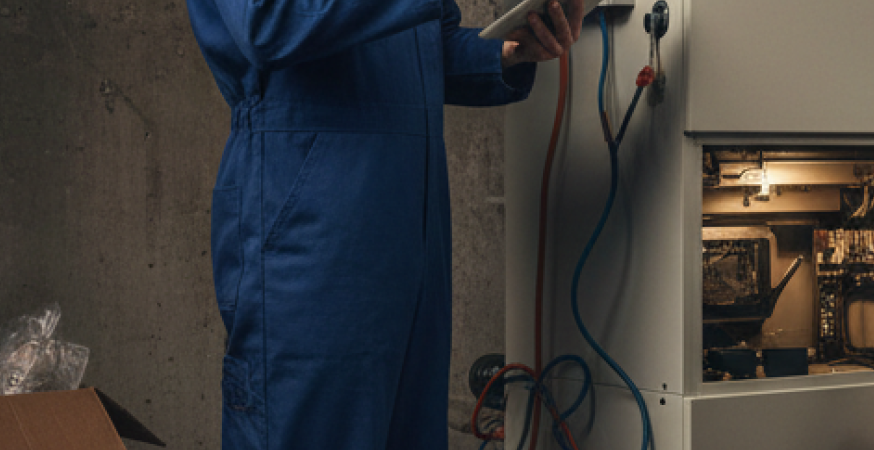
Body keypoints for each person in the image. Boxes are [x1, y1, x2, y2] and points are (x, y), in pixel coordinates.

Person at [186, 1, 581, 449]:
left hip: (409, 225)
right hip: (311, 222)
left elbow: (429, 44)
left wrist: (509, 50)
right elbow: (267, 23)